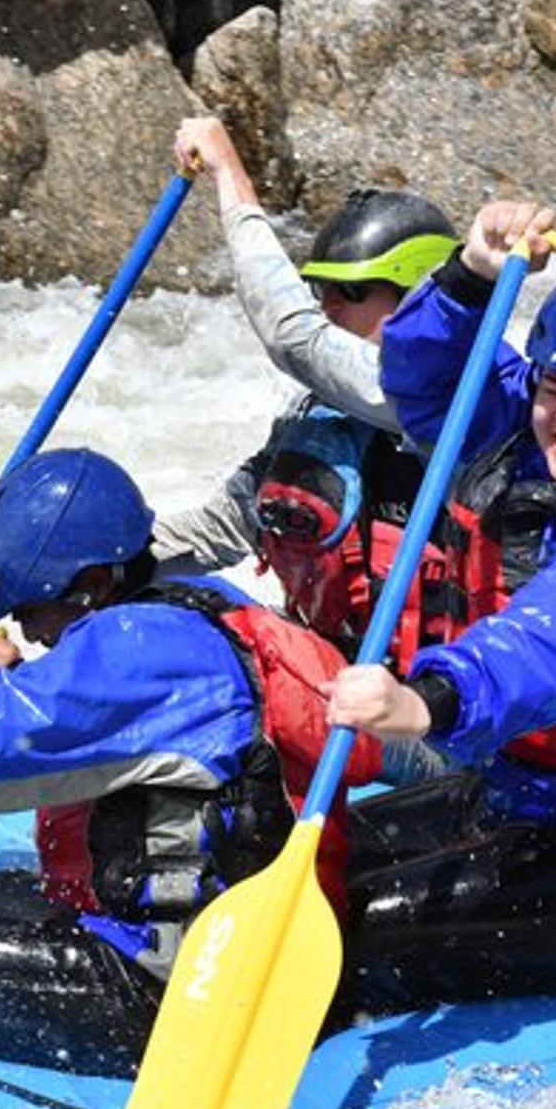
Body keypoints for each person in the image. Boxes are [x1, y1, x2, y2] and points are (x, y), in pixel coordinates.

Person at [0, 448, 379, 1072]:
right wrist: (21, 679)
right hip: (221, 936)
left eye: (33, 610)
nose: (30, 632)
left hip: (181, 986)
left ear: (94, 585)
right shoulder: (193, 608)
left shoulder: (134, 651)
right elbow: (97, 717)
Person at [324, 201, 556, 1010]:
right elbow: (427, 376)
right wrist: (469, 275)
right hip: (528, 799)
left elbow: (550, 641)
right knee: (307, 859)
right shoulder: (528, 436)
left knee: (347, 931)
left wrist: (433, 697)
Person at [159, 120, 465, 687]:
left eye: (351, 292)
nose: (328, 309)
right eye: (320, 291)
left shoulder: (451, 400)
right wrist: (89, 563)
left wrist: (230, 174)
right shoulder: (322, 417)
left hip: (436, 703)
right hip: (335, 683)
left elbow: (292, 336)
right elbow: (220, 529)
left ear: (418, 299)